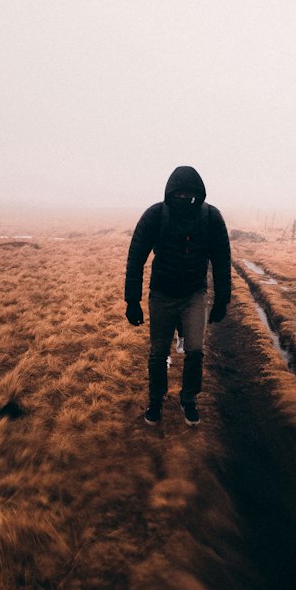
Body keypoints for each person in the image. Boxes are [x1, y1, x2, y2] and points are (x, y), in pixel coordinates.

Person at [124, 166, 231, 426]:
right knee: (159, 352)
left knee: (195, 350)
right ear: (171, 192)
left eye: (190, 193)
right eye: (179, 193)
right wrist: (133, 301)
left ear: (199, 193)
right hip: (161, 294)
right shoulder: (155, 215)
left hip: (194, 294)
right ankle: (156, 399)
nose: (184, 198)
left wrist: (222, 300)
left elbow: (221, 260)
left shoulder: (211, 217)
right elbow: (136, 258)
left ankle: (189, 399)